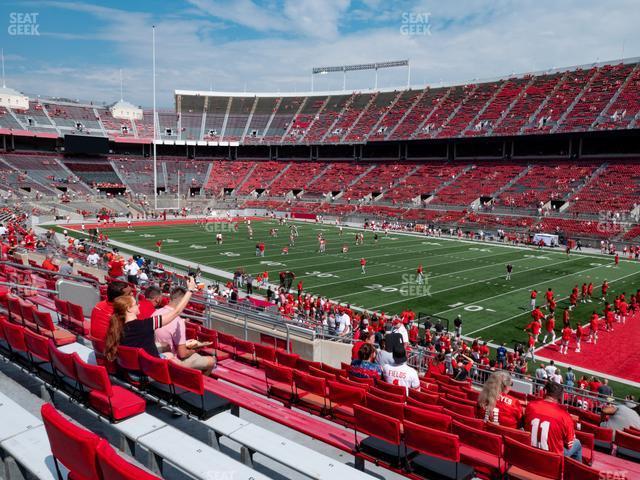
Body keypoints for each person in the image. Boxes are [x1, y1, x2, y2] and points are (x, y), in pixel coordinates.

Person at [104, 277, 197, 361]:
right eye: (135, 304)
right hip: (147, 371)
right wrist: (190, 290)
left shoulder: (119, 325)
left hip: (131, 367)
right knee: (173, 358)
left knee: (168, 352)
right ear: (128, 309)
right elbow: (176, 312)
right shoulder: (144, 325)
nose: (139, 304)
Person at [154, 287, 215, 375]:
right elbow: (182, 354)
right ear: (183, 301)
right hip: (171, 361)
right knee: (212, 361)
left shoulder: (156, 312)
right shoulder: (178, 322)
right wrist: (196, 349)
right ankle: (196, 386)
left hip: (157, 354)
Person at [524, 381, 582, 461]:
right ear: (560, 397)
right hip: (551, 460)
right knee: (577, 443)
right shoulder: (565, 416)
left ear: (545, 391)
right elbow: (569, 444)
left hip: (529, 452)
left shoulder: (531, 405)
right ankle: (576, 472)